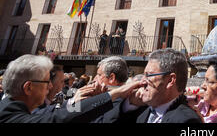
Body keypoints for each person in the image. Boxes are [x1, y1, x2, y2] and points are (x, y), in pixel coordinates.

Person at [0, 54, 142, 123]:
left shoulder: (12, 108)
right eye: (45, 82)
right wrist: (114, 94)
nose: (50, 86)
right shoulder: (8, 115)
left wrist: (75, 102)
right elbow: (59, 118)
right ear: (28, 87)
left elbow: (61, 114)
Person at [102, 48, 202, 123]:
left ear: (170, 80)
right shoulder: (139, 109)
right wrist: (129, 103)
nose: (142, 81)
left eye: (148, 75)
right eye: (144, 75)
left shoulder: (186, 120)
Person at [91, 56, 129, 123]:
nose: (94, 79)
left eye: (99, 75)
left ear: (111, 78)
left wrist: (96, 99)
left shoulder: (118, 101)